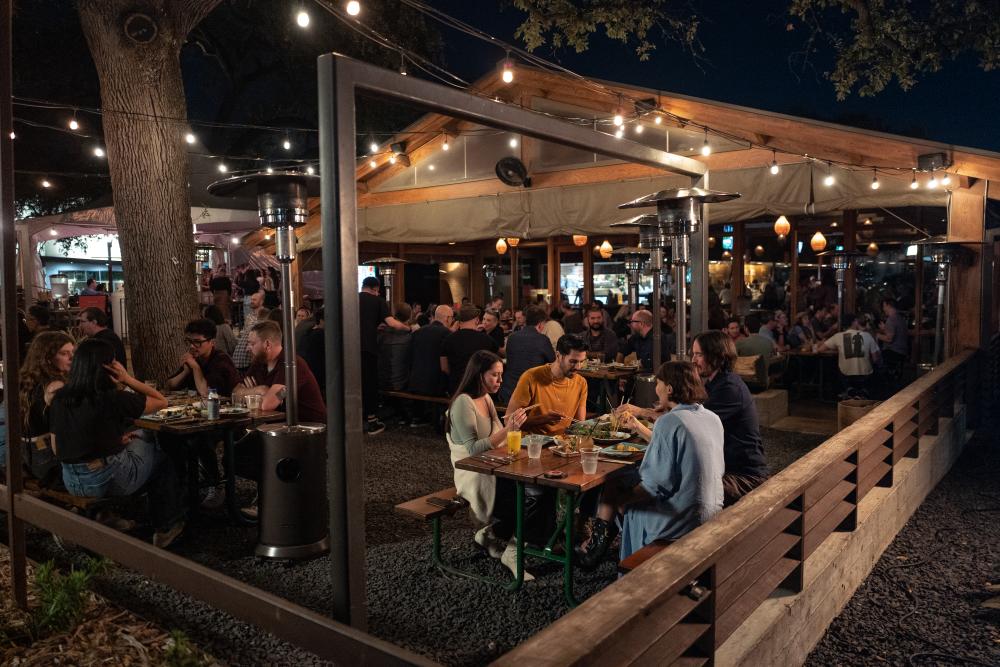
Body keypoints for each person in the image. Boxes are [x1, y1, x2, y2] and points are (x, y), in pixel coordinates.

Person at [576, 361, 724, 569]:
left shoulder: (669, 422)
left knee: (614, 491)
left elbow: (655, 486)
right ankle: (596, 545)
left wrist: (621, 500)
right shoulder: (712, 418)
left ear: (669, 389)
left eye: (658, 383)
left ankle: (597, 549)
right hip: (712, 509)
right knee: (618, 485)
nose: (656, 388)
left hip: (680, 518)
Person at [49, 339, 185, 548]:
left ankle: (115, 515)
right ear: (107, 367)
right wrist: (127, 378)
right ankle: (166, 526)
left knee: (138, 440)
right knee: (159, 454)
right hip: (106, 478)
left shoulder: (60, 399)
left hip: (71, 480)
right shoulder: (111, 397)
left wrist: (112, 442)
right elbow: (161, 401)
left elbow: (59, 447)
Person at [445, 350, 529, 575]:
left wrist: (513, 429)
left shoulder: (486, 398)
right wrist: (509, 430)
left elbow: (499, 434)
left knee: (533, 490)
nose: (500, 381)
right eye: (495, 375)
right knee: (522, 495)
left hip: (490, 464)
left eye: (501, 375)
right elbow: (472, 449)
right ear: (479, 374)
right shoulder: (464, 402)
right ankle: (508, 545)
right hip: (471, 471)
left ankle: (497, 537)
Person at [691, 331, 768, 505]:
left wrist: (647, 415)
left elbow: (693, 424)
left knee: (683, 491)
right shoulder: (716, 382)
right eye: (693, 354)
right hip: (727, 470)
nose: (693, 360)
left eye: (698, 355)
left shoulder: (729, 387)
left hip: (745, 477)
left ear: (716, 356)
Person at [233, 320, 326, 424]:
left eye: (252, 343)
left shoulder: (291, 365)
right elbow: (236, 393)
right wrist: (260, 390)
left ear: (267, 344)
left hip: (308, 429)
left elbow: (267, 405)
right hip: (279, 428)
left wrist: (250, 394)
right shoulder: (259, 363)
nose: (247, 348)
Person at [18, 331, 75, 488]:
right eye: (64, 353)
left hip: (26, 458)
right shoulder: (55, 386)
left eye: (73, 352)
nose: (72, 358)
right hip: (49, 463)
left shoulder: (28, 380)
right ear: (47, 358)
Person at [506, 335, 588, 436]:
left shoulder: (581, 383)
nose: (578, 367)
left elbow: (579, 425)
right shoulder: (531, 377)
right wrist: (543, 419)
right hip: (531, 443)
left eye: (582, 361)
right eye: (573, 361)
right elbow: (508, 420)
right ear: (558, 356)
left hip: (561, 444)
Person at [359, 276, 409, 436]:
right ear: (376, 289)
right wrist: (409, 328)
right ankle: (372, 421)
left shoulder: (351, 299)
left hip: (348, 348)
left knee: (354, 383)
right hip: (368, 348)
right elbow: (393, 323)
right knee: (369, 384)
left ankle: (354, 418)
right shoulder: (378, 301)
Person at [165, 318, 239, 398]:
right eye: (189, 341)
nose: (192, 346)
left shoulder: (221, 360)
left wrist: (195, 367)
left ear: (212, 342)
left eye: (197, 342)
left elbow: (206, 393)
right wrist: (185, 372)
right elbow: (169, 385)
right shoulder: (195, 358)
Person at [405, 305, 454, 426]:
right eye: (452, 318)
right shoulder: (447, 334)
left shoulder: (418, 332)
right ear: (448, 319)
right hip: (436, 385)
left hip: (415, 381)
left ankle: (418, 417)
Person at [498, 305, 554, 405]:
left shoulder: (512, 337)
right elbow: (553, 363)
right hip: (531, 395)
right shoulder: (542, 339)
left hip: (508, 392)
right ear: (540, 324)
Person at [441, 305, 498, 396]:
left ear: (459, 321)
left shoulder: (448, 339)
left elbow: (444, 367)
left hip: (456, 388)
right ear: (476, 320)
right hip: (478, 388)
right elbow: (494, 365)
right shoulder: (487, 340)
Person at [822, 312, 881, 397]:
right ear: (854, 322)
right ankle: (862, 390)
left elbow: (820, 349)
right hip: (865, 375)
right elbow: (875, 359)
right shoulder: (867, 335)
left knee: (834, 365)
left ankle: (848, 390)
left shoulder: (838, 336)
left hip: (846, 375)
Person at [232, 290, 266, 372]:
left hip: (251, 359)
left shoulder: (265, 315)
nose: (251, 302)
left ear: (261, 302)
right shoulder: (249, 315)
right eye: (251, 299)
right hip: (242, 358)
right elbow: (244, 332)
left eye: (254, 300)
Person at [877, 297, 909, 378]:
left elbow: (889, 339)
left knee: (876, 359)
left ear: (888, 306)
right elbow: (896, 334)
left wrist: (875, 335)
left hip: (893, 352)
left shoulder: (891, 320)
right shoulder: (900, 318)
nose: (883, 309)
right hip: (902, 352)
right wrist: (885, 329)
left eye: (884, 306)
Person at [299, 307, 326, 397]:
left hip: (306, 375)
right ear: (322, 320)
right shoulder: (321, 335)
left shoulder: (307, 333)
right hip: (318, 379)